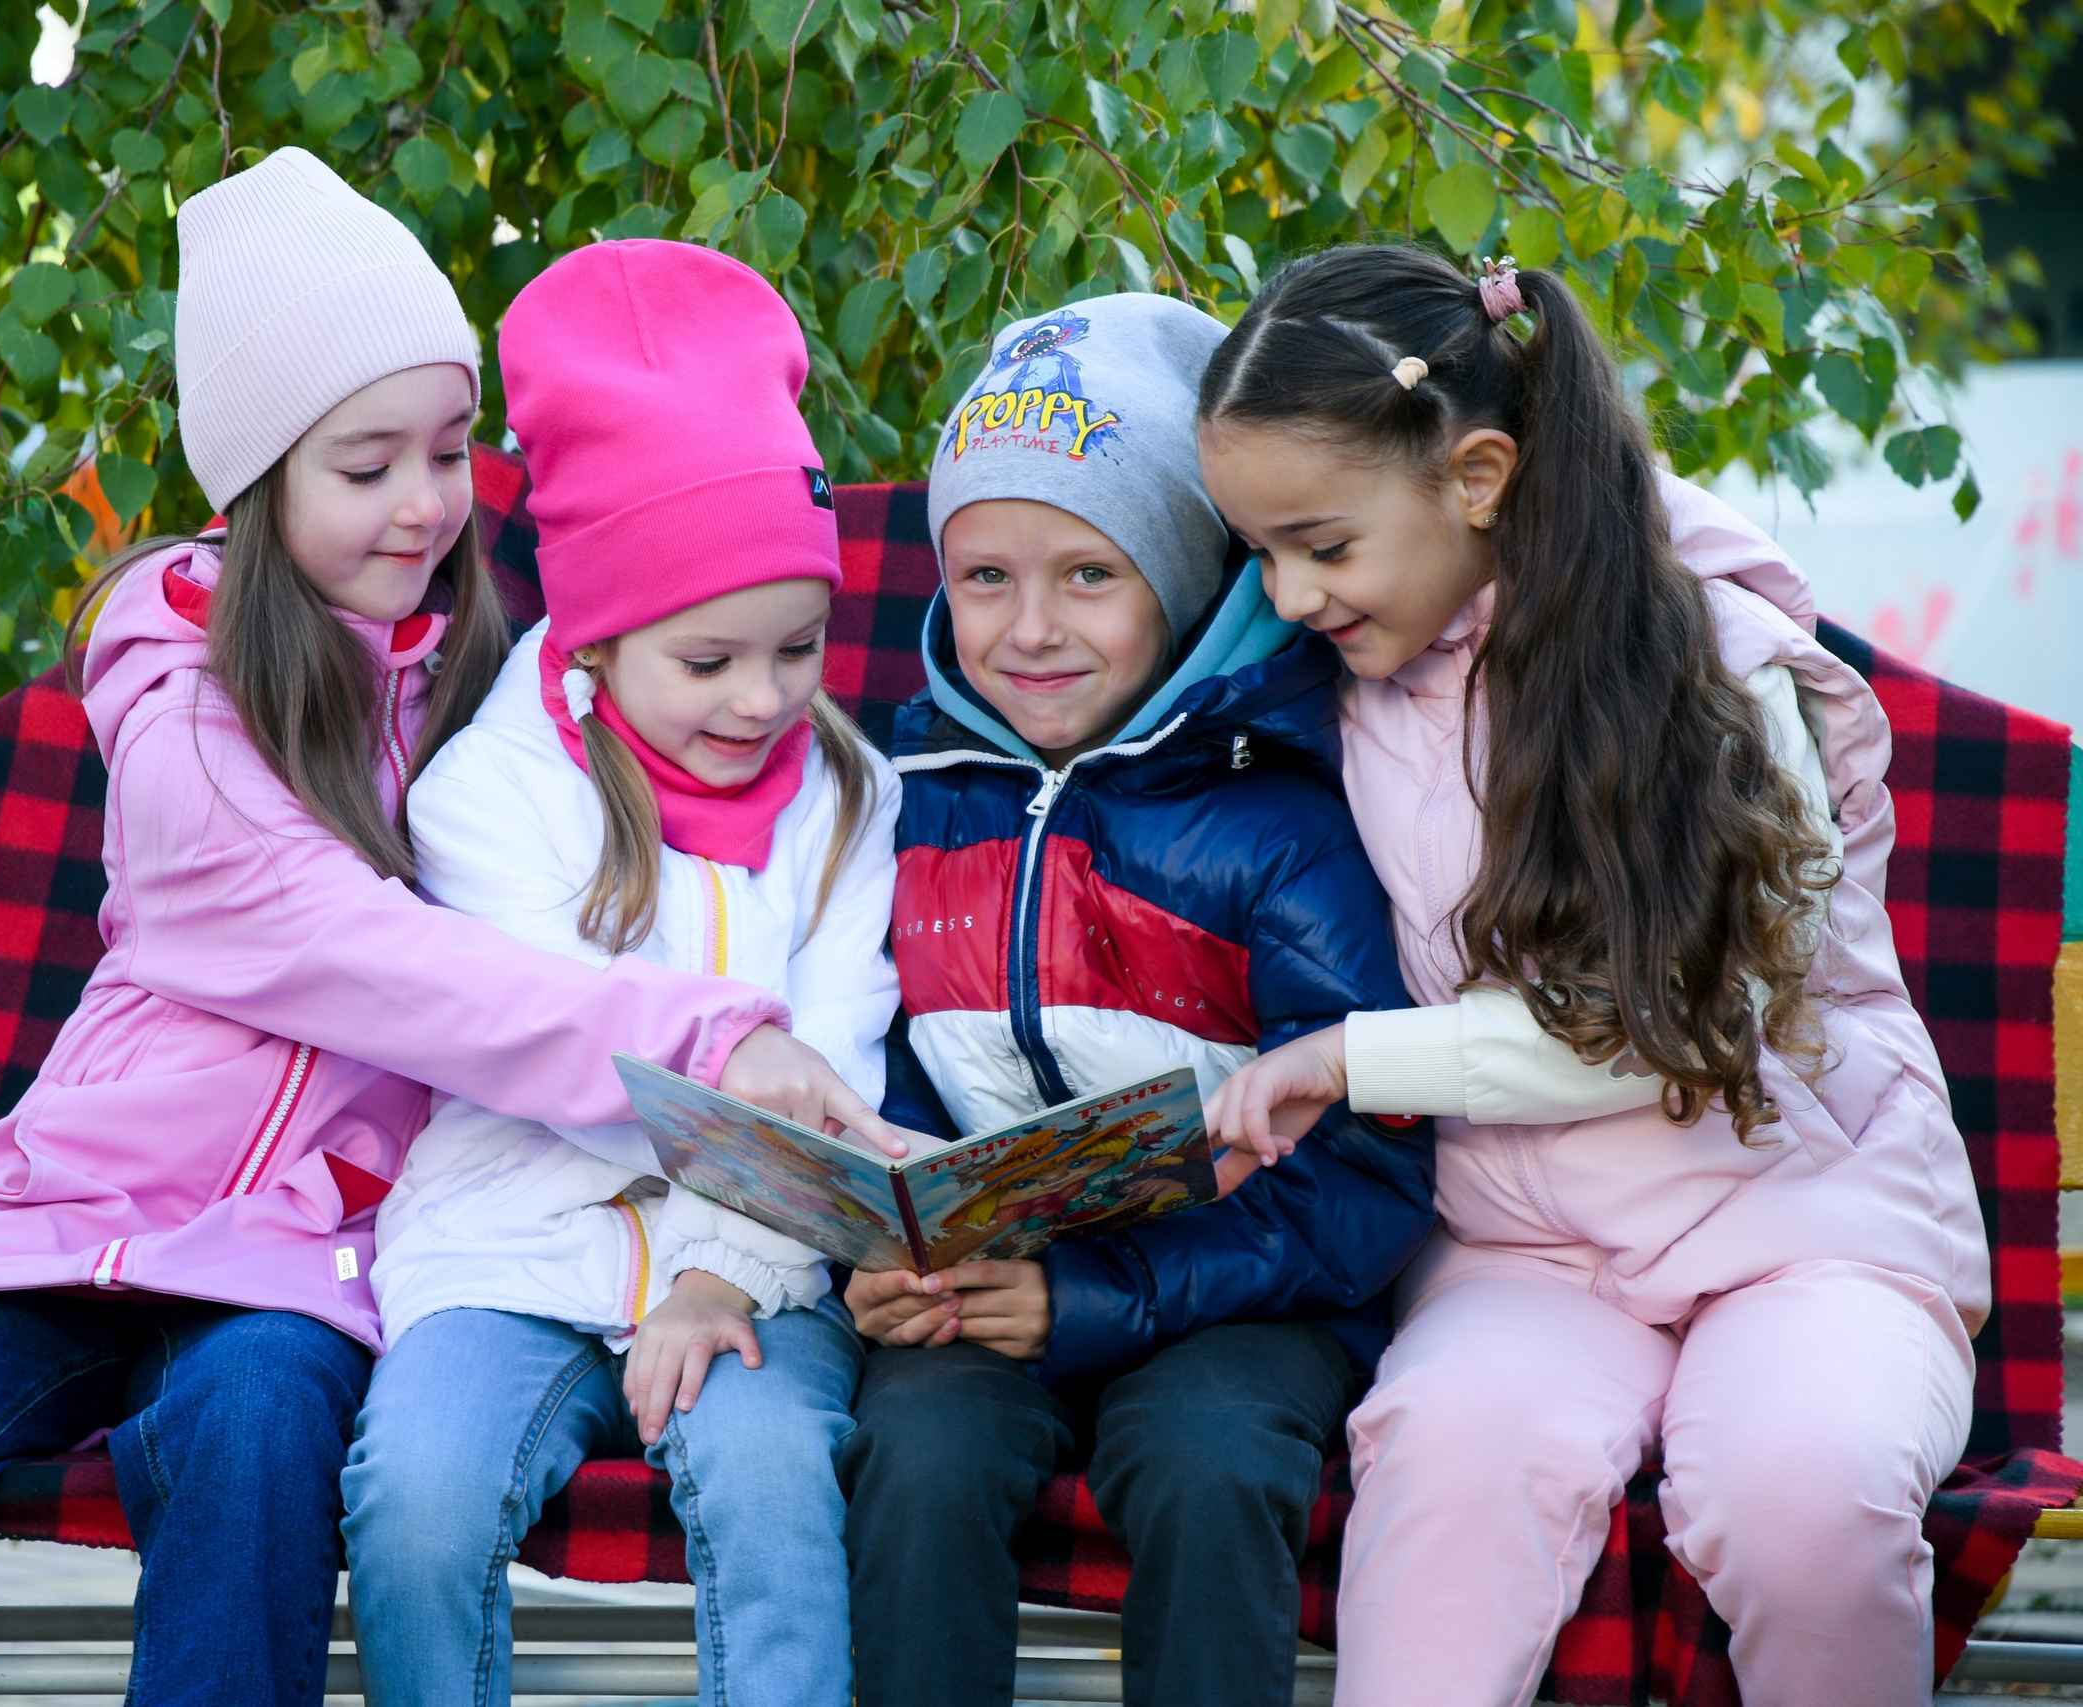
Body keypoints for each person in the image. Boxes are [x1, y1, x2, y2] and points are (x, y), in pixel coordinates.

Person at [0, 154, 891, 1707]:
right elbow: (354, 954)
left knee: (253, 1462)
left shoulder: (481, 684)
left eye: (450, 453)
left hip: (304, 1257)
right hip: (71, 1218)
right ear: (257, 482)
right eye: (367, 468)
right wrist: (710, 1045)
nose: (428, 505)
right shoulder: (177, 695)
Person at [1202, 245, 1987, 1707]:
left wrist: (1344, 1061)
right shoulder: (1356, 676)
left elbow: (1675, 1020)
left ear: (1479, 476)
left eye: (1319, 543)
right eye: (1257, 550)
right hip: (1523, 1246)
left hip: (1797, 1215)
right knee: (1446, 1470)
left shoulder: (1706, 665)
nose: (1286, 593)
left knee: (1804, 1495)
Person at [839, 293, 1437, 1707]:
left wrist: (1093, 1298)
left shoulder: (1282, 823)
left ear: (1178, 576)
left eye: (1089, 575)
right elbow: (886, 1075)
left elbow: (1371, 1167)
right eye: (983, 577)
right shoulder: (909, 800)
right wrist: (882, 1243)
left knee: (1212, 1462)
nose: (1029, 629)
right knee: (914, 1460)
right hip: (990, 1288)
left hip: (1253, 1291)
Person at [341, 240, 900, 1707]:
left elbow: (838, 1064)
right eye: (710, 660)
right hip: (513, 1249)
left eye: (798, 647)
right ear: (595, 633)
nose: (764, 698)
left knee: (778, 1489)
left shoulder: (844, 801)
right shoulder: (490, 795)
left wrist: (729, 1269)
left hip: (761, 1268)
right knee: (417, 1499)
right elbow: (551, 1052)